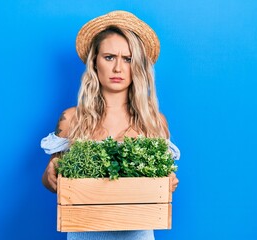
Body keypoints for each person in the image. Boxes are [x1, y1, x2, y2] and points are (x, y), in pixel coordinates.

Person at [41, 10, 180, 240]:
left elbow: (163, 182)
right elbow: (51, 180)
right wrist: (51, 174)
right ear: (94, 63)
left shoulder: (153, 122)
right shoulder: (72, 119)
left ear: (137, 66)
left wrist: (168, 182)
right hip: (84, 234)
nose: (118, 68)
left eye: (127, 59)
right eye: (109, 57)